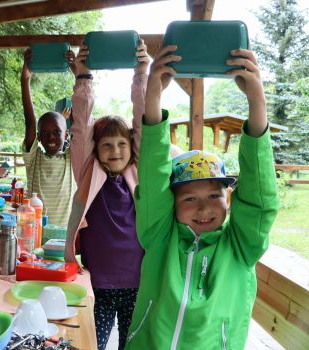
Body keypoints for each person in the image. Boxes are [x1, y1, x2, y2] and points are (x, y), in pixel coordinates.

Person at [125, 47, 278, 349]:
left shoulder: (241, 247)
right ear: (172, 204)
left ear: (229, 199)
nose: (204, 207)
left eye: (213, 195)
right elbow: (154, 179)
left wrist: (256, 101)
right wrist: (153, 98)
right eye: (189, 199)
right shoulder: (159, 236)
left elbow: (260, 198)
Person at [64, 40, 171, 350]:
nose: (115, 151)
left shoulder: (138, 175)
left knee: (130, 345)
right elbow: (81, 127)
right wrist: (83, 79)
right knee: (90, 344)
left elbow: (143, 122)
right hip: (97, 283)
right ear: (96, 150)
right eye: (107, 145)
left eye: (122, 144)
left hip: (137, 284)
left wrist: (142, 74)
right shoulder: (89, 174)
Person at [21, 48, 74, 227]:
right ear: (38, 137)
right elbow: (30, 121)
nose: (50, 137)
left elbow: (83, 123)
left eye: (56, 132)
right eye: (44, 133)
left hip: (65, 238)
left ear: (66, 134)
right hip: (35, 236)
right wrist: (25, 79)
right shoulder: (33, 159)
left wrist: (78, 73)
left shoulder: (73, 158)